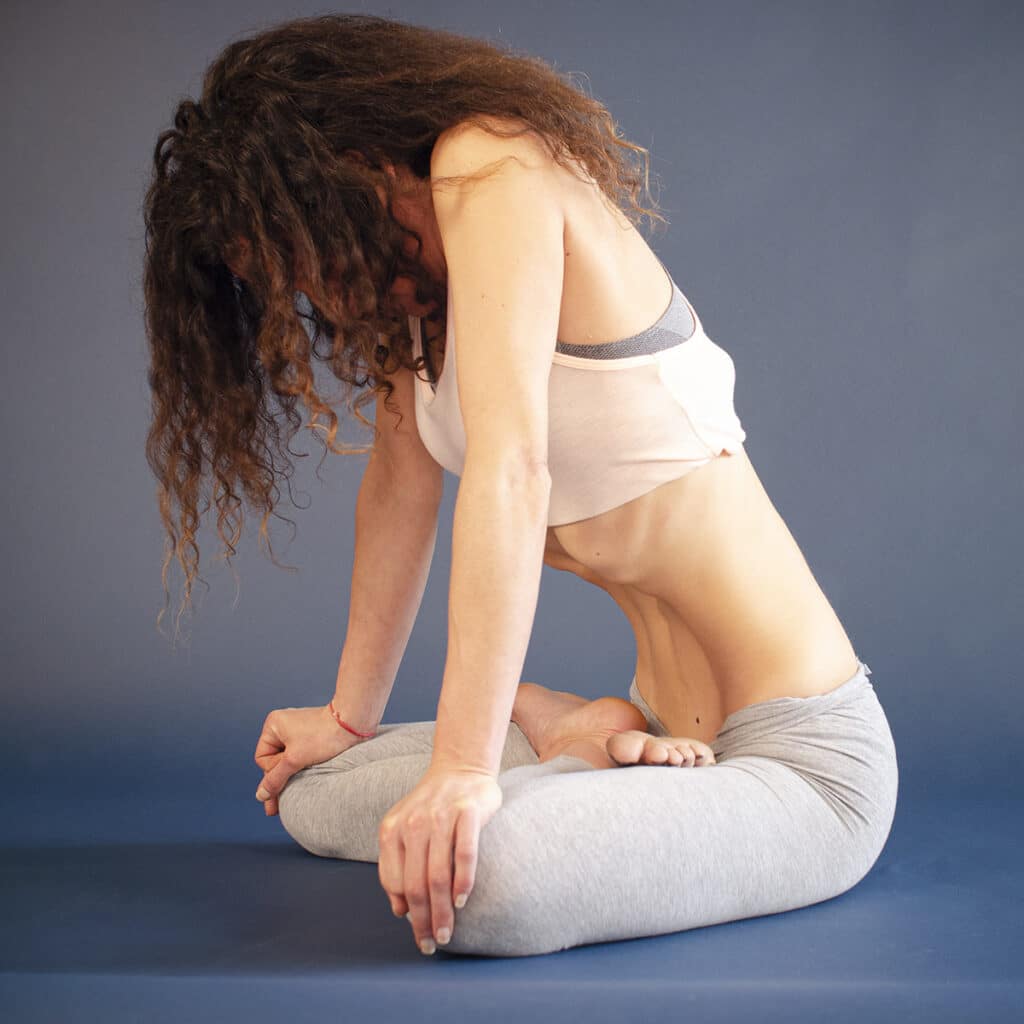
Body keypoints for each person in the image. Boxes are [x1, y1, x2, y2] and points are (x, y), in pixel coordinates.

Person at [142, 13, 899, 959]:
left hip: (801, 762)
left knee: (475, 886)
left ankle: (571, 750)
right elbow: (399, 488)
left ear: (351, 171)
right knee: (314, 794)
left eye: (305, 254)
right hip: (665, 724)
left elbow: (511, 470)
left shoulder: (489, 165)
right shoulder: (417, 298)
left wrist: (462, 767)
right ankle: (590, 740)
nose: (320, 299)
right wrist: (348, 718)